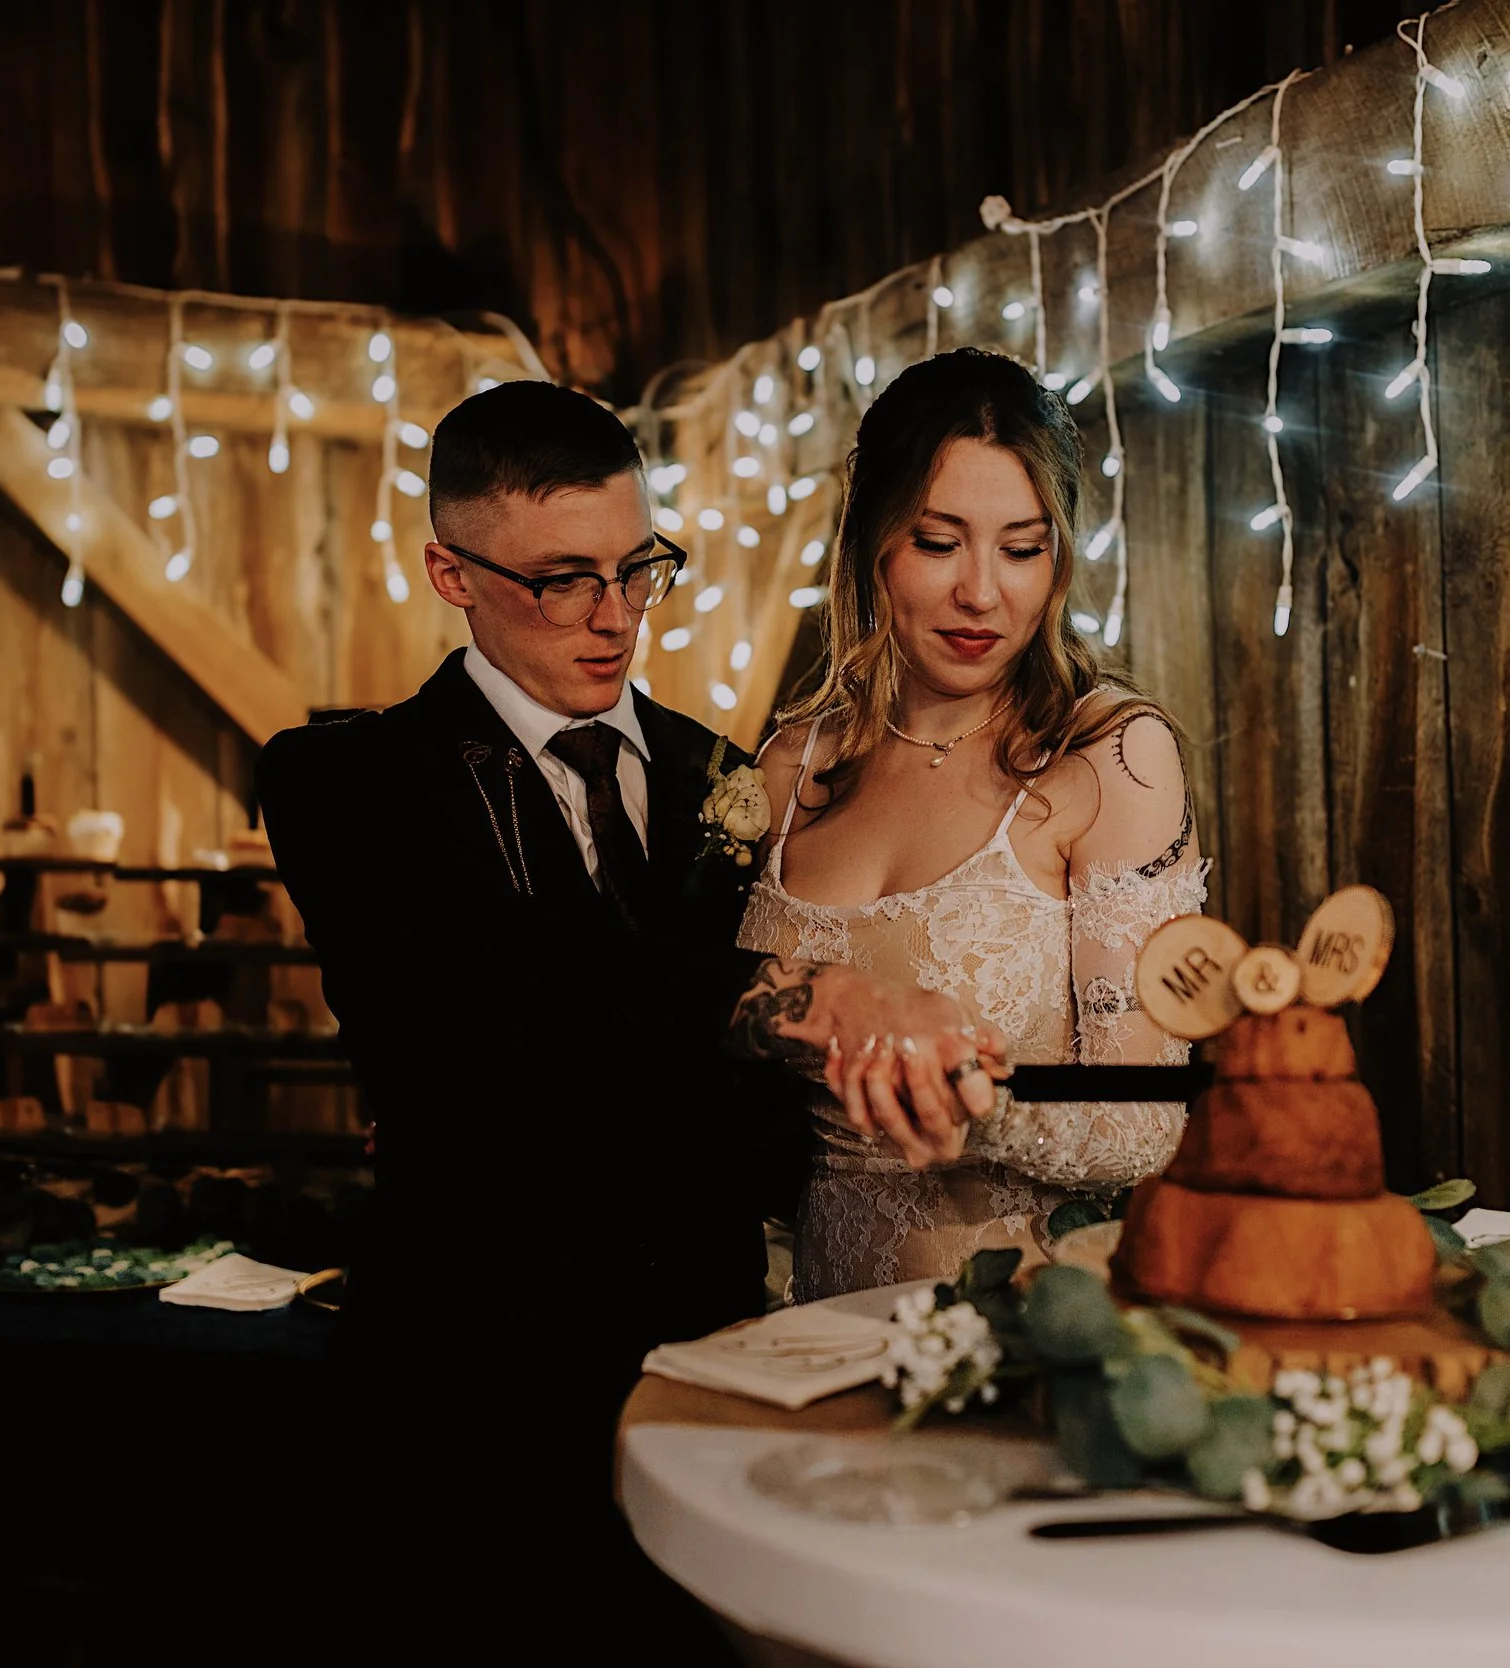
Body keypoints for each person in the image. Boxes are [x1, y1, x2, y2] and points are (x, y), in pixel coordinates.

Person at [255, 381, 1004, 1638]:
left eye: (636, 569)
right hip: (470, 1412)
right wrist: (811, 999)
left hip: (714, 1376)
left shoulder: (725, 773)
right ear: (451, 573)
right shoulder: (345, 779)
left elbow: (745, 1114)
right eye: (561, 582)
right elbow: (505, 975)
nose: (614, 618)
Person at [741, 348, 1208, 1301]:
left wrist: (969, 1103)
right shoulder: (790, 765)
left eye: (1022, 549)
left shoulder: (1111, 756)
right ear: (872, 541)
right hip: (813, 1325)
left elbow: (1147, 1121)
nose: (982, 593)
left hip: (1017, 1324)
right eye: (938, 541)